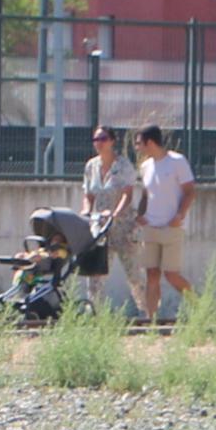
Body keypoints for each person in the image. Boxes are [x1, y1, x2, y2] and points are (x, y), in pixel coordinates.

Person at [130, 123, 198, 319]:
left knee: (171, 275)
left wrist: (179, 216)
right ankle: (151, 320)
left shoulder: (177, 161)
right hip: (150, 228)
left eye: (139, 143)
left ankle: (202, 307)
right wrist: (141, 215)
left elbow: (190, 191)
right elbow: (145, 194)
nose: (137, 147)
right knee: (151, 275)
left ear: (150, 142)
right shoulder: (145, 166)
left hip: (171, 228)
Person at [76, 125, 140, 312]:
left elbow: (127, 194)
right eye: (96, 140)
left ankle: (147, 312)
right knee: (95, 274)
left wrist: (115, 214)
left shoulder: (123, 165)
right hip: (100, 228)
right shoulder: (91, 166)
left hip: (123, 228)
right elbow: (88, 193)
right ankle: (95, 312)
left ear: (112, 141)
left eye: (103, 139)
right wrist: (87, 210)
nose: (99, 143)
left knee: (133, 273)